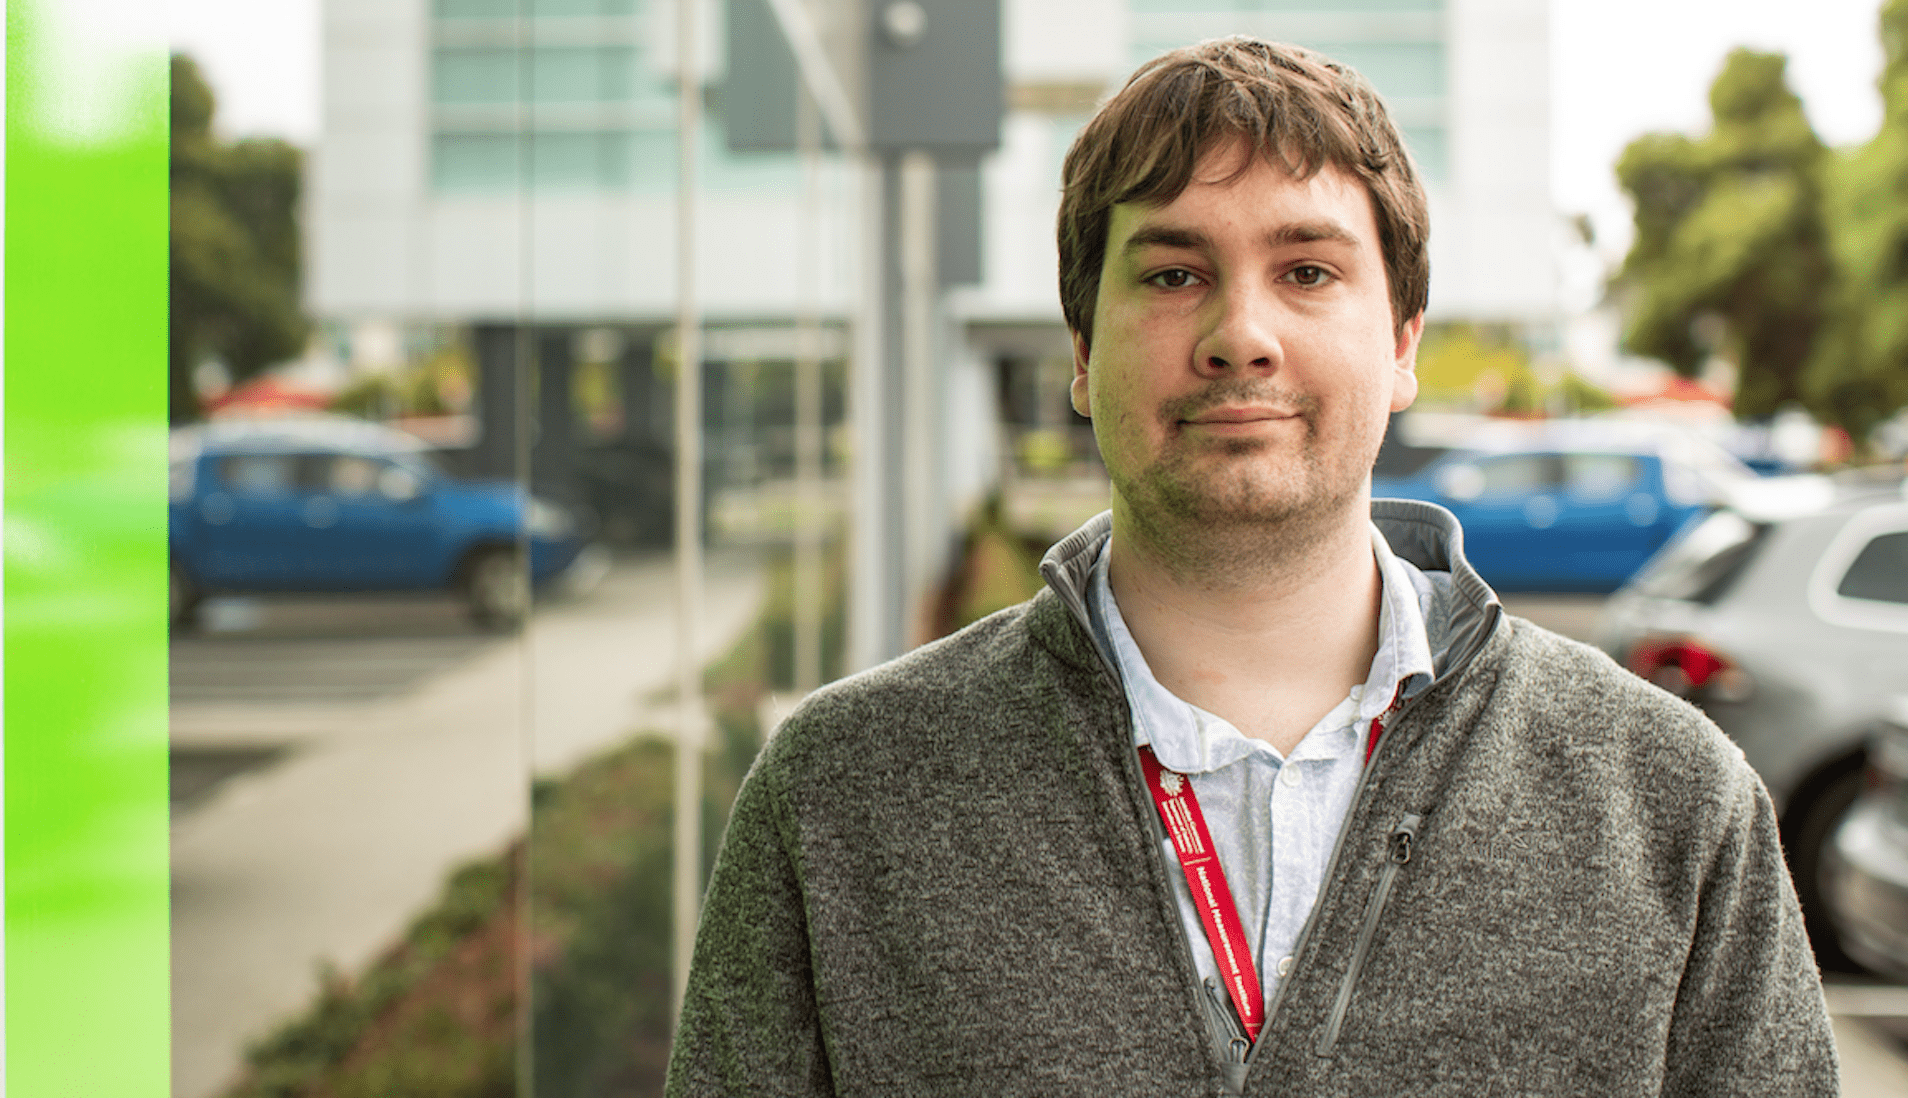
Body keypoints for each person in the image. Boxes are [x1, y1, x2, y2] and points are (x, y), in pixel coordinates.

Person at [666, 37, 1838, 1096]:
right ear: (1081, 352)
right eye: (1173, 273)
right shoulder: (841, 794)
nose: (1242, 332)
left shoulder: (1669, 801)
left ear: (1403, 344)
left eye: (1308, 272)